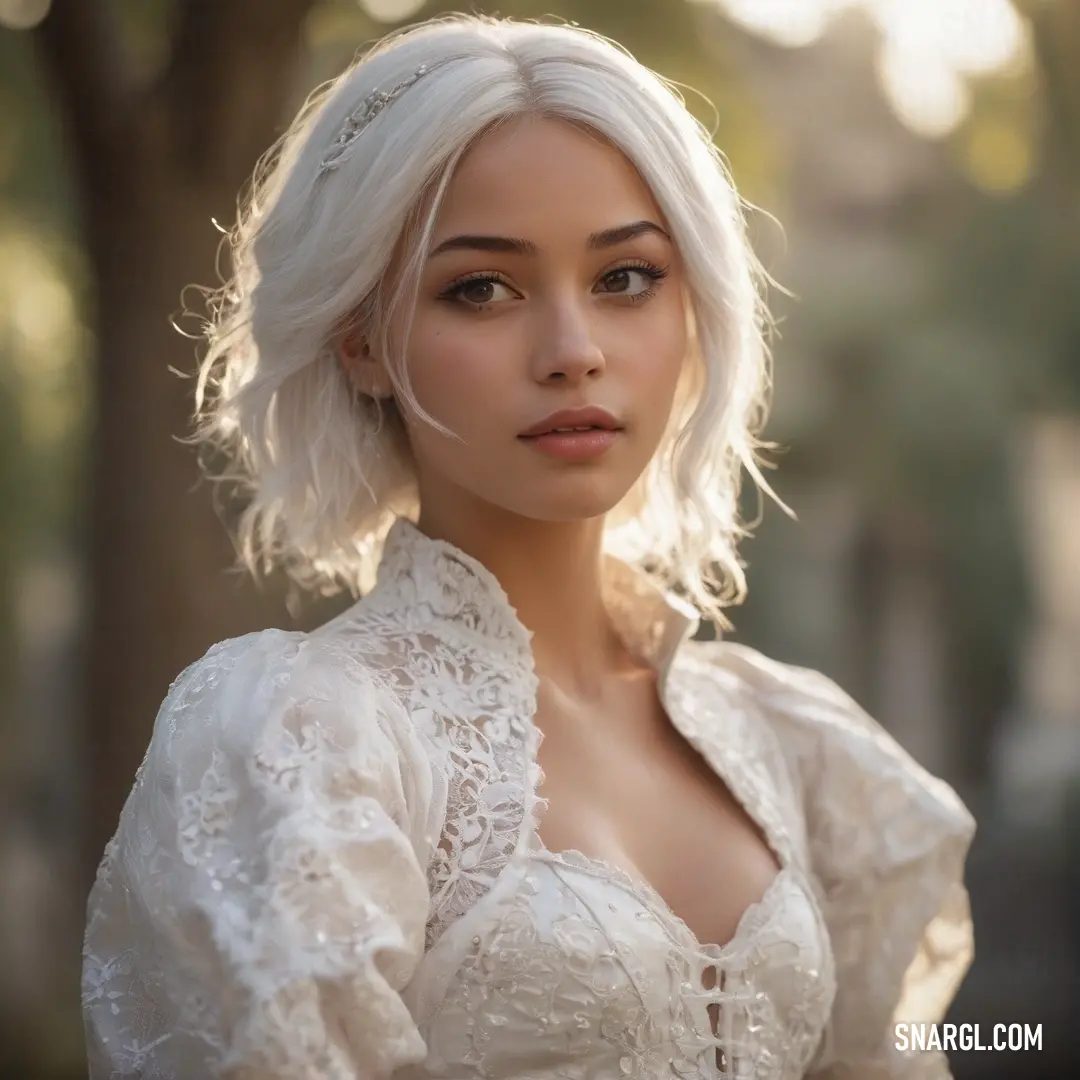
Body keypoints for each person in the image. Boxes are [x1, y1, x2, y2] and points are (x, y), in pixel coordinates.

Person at [80, 13, 975, 1079]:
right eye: (482, 289)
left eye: (626, 277)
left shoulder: (802, 749)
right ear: (362, 342)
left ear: (695, 307)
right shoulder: (302, 739)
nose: (573, 352)